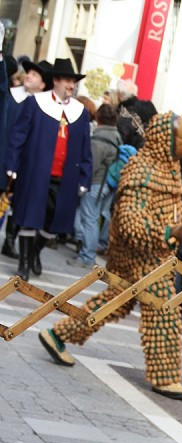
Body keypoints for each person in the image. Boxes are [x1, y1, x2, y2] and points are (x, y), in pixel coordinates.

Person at [38, 113, 182, 400]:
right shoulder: (141, 169)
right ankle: (166, 377)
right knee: (164, 311)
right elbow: (129, 220)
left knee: (115, 302)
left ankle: (58, 334)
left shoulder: (169, 167)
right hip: (141, 256)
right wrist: (166, 231)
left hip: (153, 254)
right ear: (166, 140)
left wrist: (177, 229)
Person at [5, 57, 92, 281]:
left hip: (65, 177)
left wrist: (85, 177)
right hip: (35, 171)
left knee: (54, 223)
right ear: (56, 81)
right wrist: (12, 164)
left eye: (73, 82)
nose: (71, 86)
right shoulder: (36, 103)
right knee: (28, 217)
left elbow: (85, 149)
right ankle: (23, 263)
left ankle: (36, 251)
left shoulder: (80, 112)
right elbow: (18, 135)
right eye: (67, 81)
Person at [1, 57, 51, 260]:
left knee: (13, 203)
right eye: (28, 73)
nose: (28, 75)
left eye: (34, 75)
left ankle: (9, 241)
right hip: (5, 155)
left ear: (42, 83)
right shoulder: (10, 96)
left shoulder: (41, 106)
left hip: (24, 163)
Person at [67, 103, 122, 269]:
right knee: (96, 217)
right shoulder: (116, 136)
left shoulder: (99, 139)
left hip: (97, 183)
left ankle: (87, 256)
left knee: (90, 219)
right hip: (109, 182)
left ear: (99, 118)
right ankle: (87, 252)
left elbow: (92, 165)